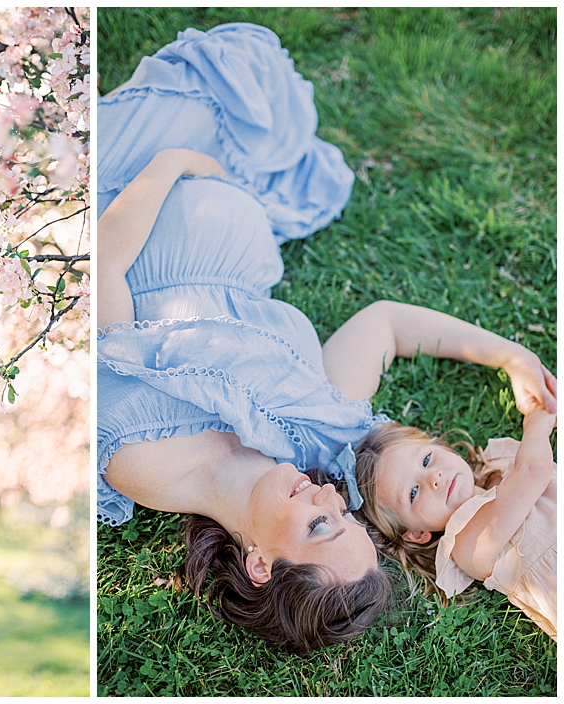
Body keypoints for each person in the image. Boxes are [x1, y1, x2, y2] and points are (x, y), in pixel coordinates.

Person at [97, 23, 556, 652]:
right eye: (344, 515)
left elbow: (102, 269)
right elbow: (385, 324)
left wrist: (172, 163)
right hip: (217, 186)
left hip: (129, 180)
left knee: (231, 75)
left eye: (321, 524)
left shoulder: (144, 461)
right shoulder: (317, 441)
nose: (328, 495)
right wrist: (511, 354)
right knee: (254, 83)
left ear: (260, 564)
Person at [352, 410, 556, 641]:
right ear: (417, 533)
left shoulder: (501, 466)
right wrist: (536, 427)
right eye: (413, 492)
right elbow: (533, 471)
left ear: (442, 446)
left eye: (427, 460)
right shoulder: (468, 542)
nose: (434, 477)